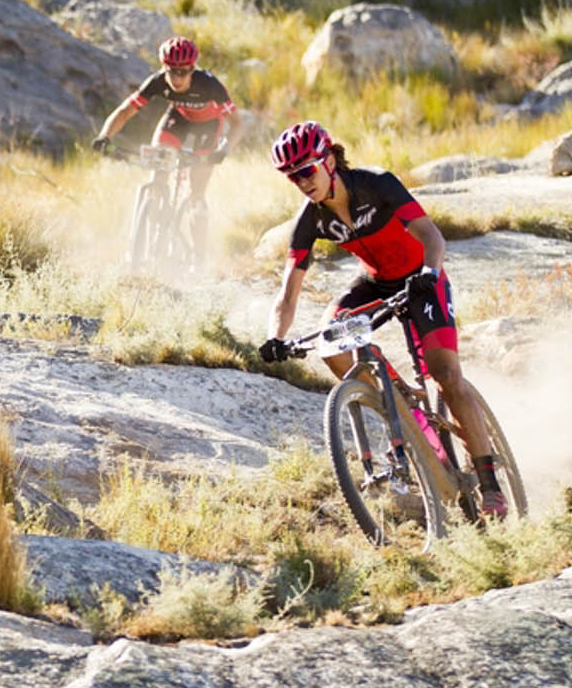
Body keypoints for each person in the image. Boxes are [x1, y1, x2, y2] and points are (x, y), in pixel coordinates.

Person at [255, 120, 508, 518]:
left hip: (423, 278)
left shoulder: (377, 183)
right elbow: (288, 292)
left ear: (330, 160)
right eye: (292, 177)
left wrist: (428, 273)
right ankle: (399, 402)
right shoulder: (310, 219)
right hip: (376, 283)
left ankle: (490, 483)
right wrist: (275, 336)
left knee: (446, 374)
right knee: (330, 341)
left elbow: (432, 236)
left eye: (306, 171)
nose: (301, 182)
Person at [91, 36, 234, 265]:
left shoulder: (210, 85)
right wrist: (105, 136)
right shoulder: (157, 81)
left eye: (184, 71)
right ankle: (153, 225)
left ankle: (198, 257)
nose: (177, 77)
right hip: (178, 120)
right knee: (159, 170)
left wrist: (222, 150)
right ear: (164, 67)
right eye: (172, 71)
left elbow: (237, 124)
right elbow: (126, 110)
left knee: (197, 192)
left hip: (209, 126)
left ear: (193, 68)